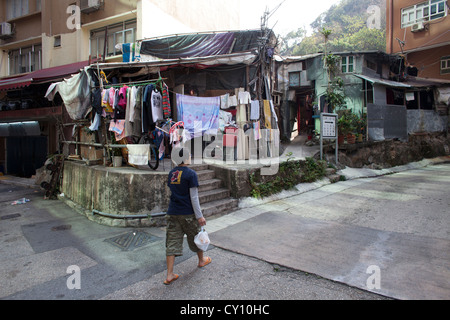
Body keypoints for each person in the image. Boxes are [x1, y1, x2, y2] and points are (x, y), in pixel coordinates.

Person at [164, 147, 211, 285]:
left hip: (172, 212)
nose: (190, 156)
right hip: (188, 213)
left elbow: (170, 193)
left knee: (171, 241)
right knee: (196, 236)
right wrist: (200, 216)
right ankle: (201, 261)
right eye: (189, 155)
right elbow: (194, 197)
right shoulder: (191, 174)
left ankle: (169, 274)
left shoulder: (172, 173)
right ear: (185, 158)